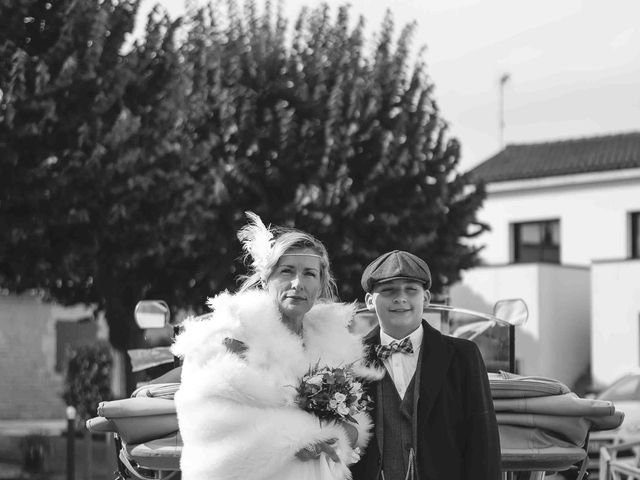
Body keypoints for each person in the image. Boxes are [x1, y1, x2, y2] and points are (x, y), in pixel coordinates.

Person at [172, 212, 382, 480]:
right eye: (287, 271)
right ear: (266, 278)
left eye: (309, 273)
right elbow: (207, 417)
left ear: (320, 284)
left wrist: (340, 436)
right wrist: (298, 440)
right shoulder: (233, 331)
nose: (298, 283)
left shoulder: (337, 345)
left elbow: (356, 423)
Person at [350, 250, 501, 480]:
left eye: (411, 290)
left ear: (427, 298)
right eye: (388, 290)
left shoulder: (463, 355)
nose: (400, 298)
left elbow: (483, 440)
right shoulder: (350, 357)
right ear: (370, 300)